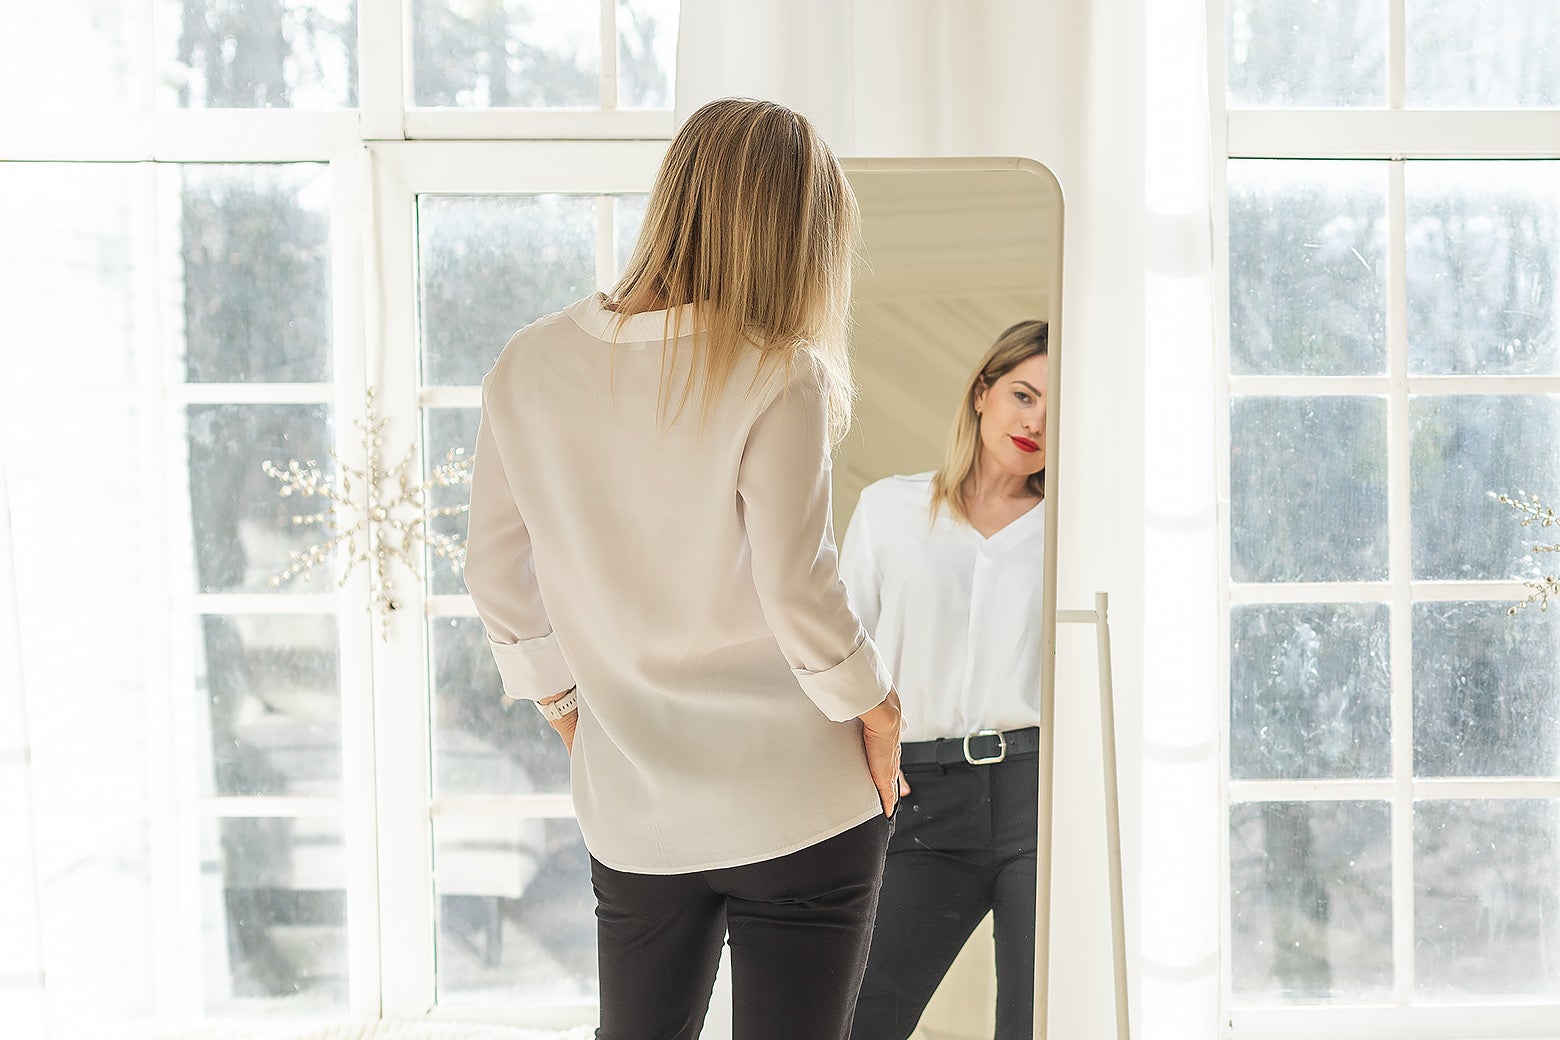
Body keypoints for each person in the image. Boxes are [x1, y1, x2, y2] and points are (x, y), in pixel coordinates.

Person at [462, 97, 905, 1040]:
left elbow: (496, 574)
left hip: (636, 805)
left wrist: (565, 708)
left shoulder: (527, 364)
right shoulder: (780, 370)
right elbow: (799, 587)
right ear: (798, 235)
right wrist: (878, 705)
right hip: (799, 801)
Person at [842, 320, 1049, 1040]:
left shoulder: (1072, 528)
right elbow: (841, 660)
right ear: (982, 393)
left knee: (1037, 1023)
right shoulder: (889, 512)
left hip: (1039, 796)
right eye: (1023, 395)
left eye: (1056, 409)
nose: (1035, 422)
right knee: (859, 1017)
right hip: (920, 796)